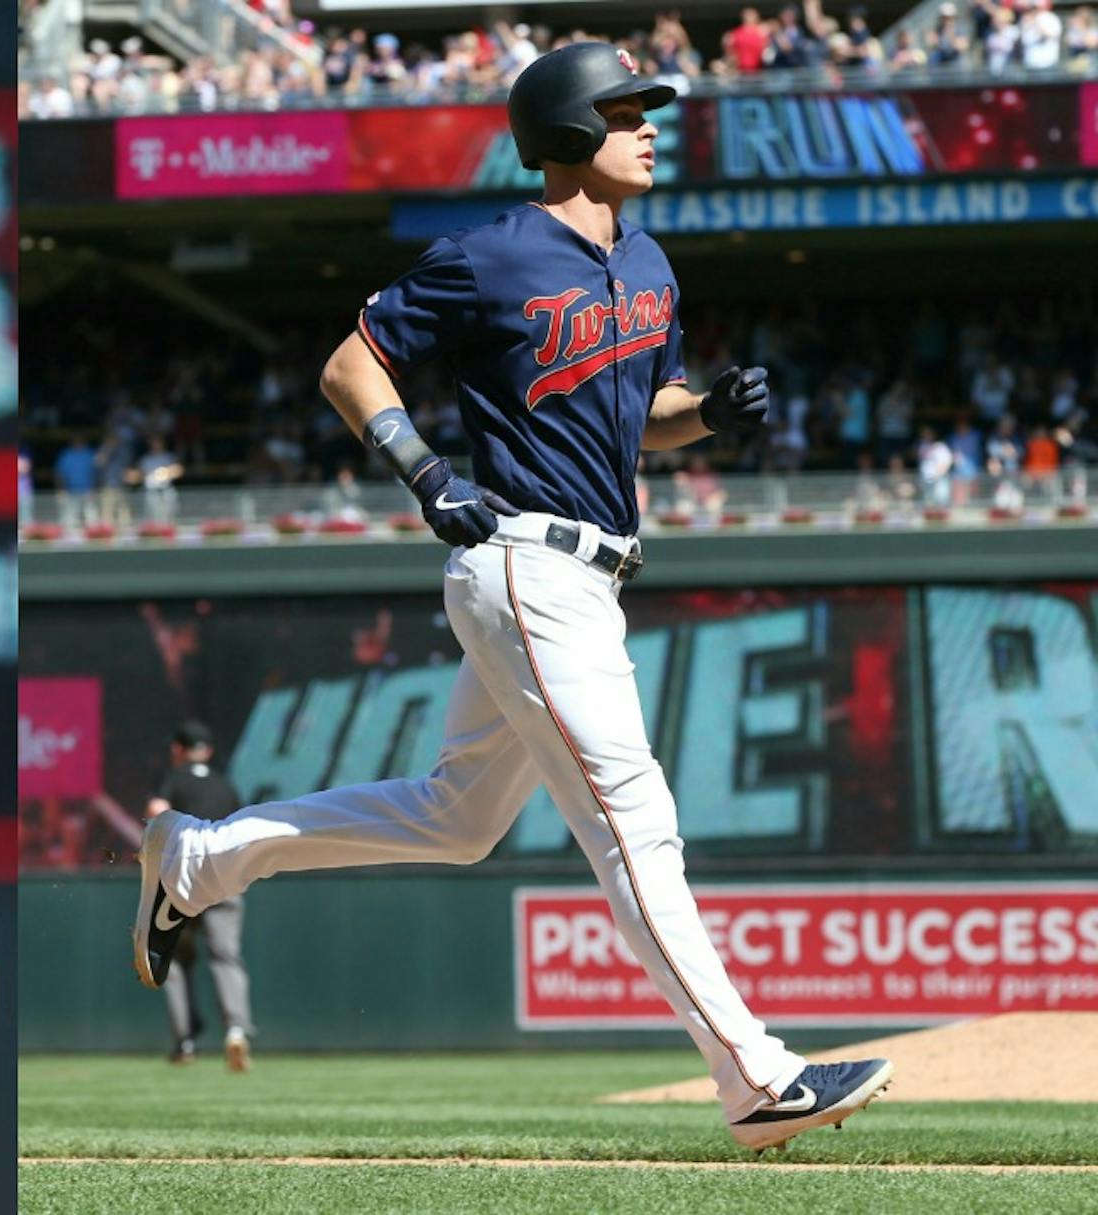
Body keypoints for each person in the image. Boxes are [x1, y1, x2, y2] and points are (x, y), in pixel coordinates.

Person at [128, 42, 892, 1155]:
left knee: (458, 819)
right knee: (637, 823)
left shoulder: (650, 265)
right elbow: (353, 364)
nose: (650, 125)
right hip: (525, 564)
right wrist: (424, 471)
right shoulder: (494, 255)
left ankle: (202, 858)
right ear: (572, 129)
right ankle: (756, 1077)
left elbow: (650, 414)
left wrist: (711, 414)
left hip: (592, 571)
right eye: (629, 108)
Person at [144, 722, 255, 1070]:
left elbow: (156, 812)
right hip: (225, 875)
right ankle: (236, 1029)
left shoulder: (174, 779)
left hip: (182, 878)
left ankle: (185, 1040)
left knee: (173, 957)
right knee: (226, 956)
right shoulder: (226, 785)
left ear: (178, 750)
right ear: (207, 751)